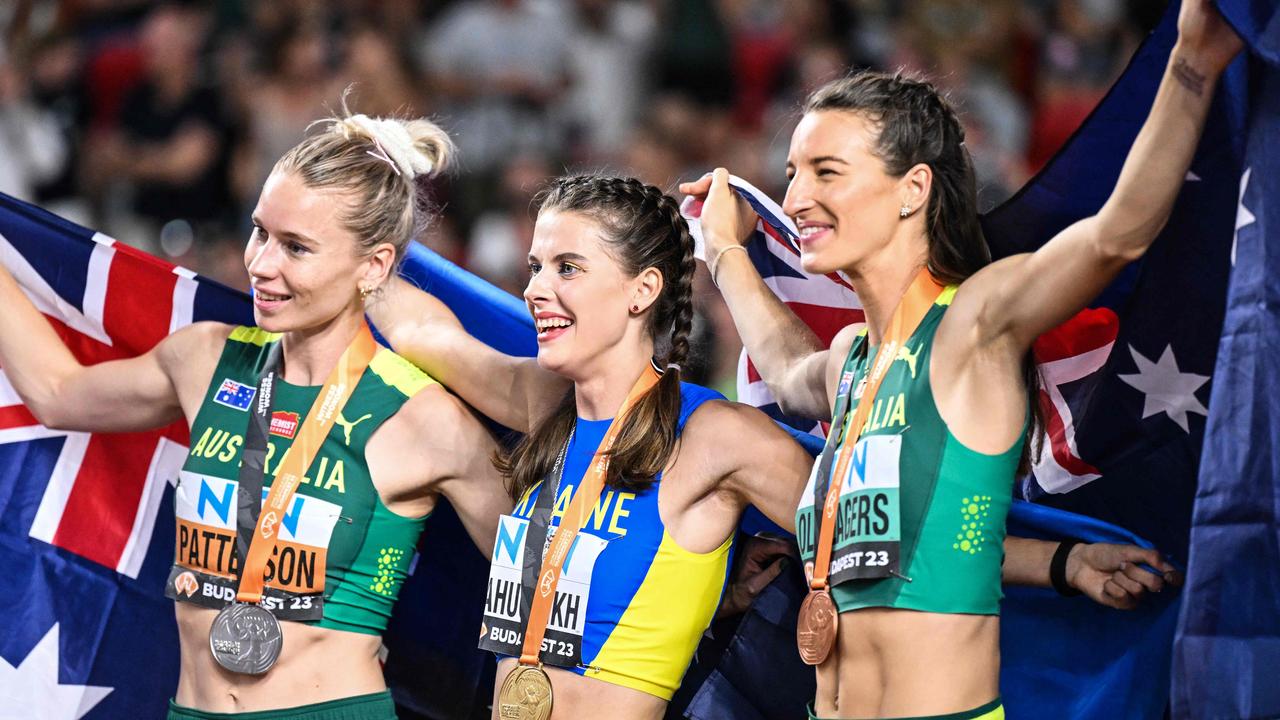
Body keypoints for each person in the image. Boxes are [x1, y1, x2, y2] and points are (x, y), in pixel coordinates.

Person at [677, 1, 1239, 717]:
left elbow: (1115, 237)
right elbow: (787, 370)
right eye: (793, 173)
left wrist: (1191, 63)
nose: (797, 198)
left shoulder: (974, 323)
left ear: (913, 188)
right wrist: (723, 249)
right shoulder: (853, 360)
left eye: (827, 172)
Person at [0, 111, 511, 719]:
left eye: (296, 248)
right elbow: (58, 391)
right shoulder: (203, 359)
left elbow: (539, 588)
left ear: (373, 266)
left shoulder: (426, 420)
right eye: (259, 232)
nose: (262, 265)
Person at [369, 174, 816, 720]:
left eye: (568, 267)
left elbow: (866, 539)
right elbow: (421, 333)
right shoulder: (546, 403)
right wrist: (353, 232)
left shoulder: (715, 436)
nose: (534, 289)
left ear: (643, 289)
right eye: (535, 267)